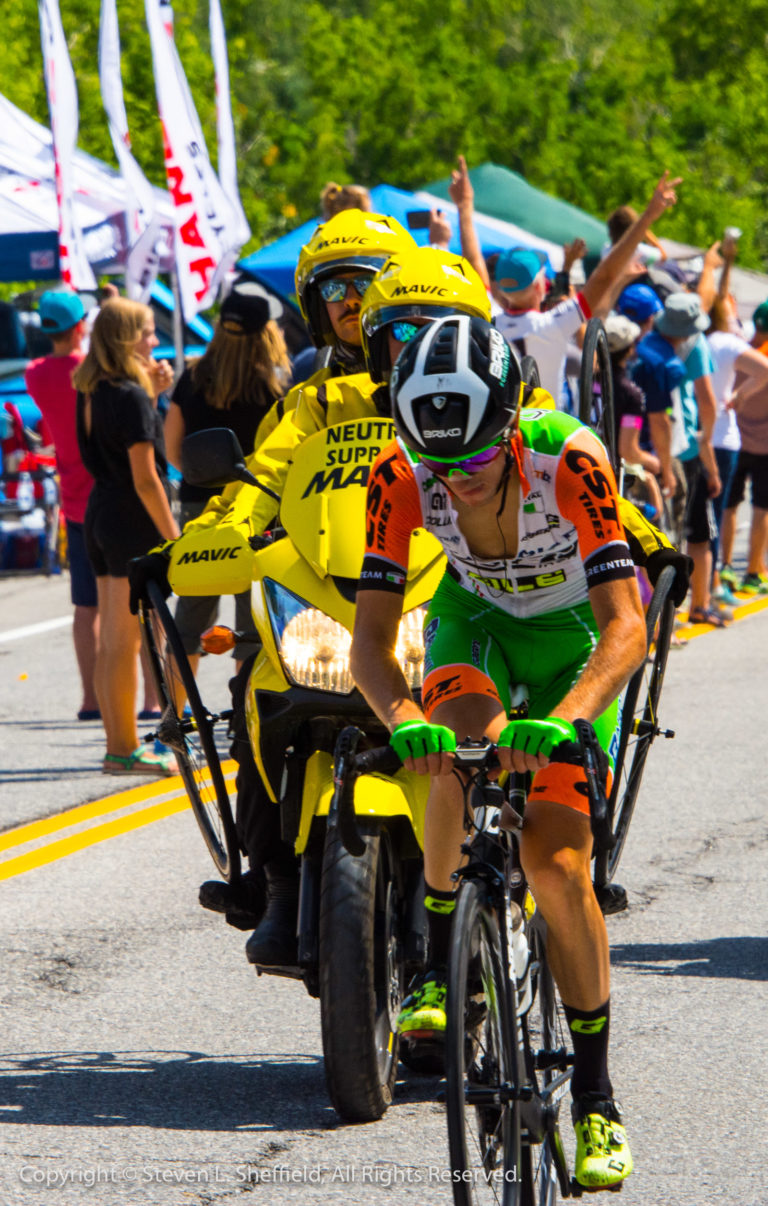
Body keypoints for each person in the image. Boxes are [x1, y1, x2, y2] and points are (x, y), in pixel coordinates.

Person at [350, 315, 652, 1190]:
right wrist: (401, 713)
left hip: (570, 639)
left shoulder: (572, 457)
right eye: (440, 468)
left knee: (556, 866)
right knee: (450, 749)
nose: (460, 485)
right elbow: (372, 644)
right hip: (475, 624)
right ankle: (437, 956)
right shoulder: (401, 472)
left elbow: (626, 625)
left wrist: (570, 719)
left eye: (478, 462)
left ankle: (595, 1097)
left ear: (511, 426)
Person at [127, 245, 482, 939]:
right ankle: (276, 878)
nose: (416, 345)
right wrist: (190, 546)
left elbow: (569, 469)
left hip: (463, 594)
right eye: (398, 329)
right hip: (343, 594)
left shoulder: (515, 398)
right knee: (257, 688)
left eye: (435, 326)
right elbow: (258, 482)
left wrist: (631, 540)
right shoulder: (317, 400)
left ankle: (537, 863)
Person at [75, 298, 179, 775]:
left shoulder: (94, 388)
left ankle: (119, 744)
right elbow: (146, 478)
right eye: (148, 332)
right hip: (129, 517)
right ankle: (122, 748)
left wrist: (154, 395)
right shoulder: (129, 396)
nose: (154, 341)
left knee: (114, 641)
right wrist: (174, 537)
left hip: (100, 512)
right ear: (125, 338)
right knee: (124, 642)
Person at [164, 283, 291, 668]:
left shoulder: (192, 377)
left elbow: (172, 448)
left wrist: (205, 481)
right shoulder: (278, 386)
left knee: (191, 610)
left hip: (197, 502)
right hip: (257, 506)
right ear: (266, 331)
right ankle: (245, 720)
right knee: (251, 619)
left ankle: (176, 717)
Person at [491, 174, 681, 402]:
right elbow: (604, 276)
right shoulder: (551, 324)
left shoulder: (489, 325)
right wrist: (648, 216)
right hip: (546, 431)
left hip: (504, 433)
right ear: (538, 286)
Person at [24, 290, 99, 721]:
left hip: (71, 496)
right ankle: (144, 699)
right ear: (78, 327)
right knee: (121, 605)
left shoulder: (35, 374)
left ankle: (90, 698)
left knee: (84, 605)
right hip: (105, 492)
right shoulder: (89, 370)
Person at [633, 292, 723, 625]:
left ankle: (658, 618)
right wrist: (686, 460)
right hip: (670, 456)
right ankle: (673, 616)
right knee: (676, 537)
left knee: (652, 538)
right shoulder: (670, 360)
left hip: (645, 454)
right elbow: (665, 417)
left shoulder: (645, 347)